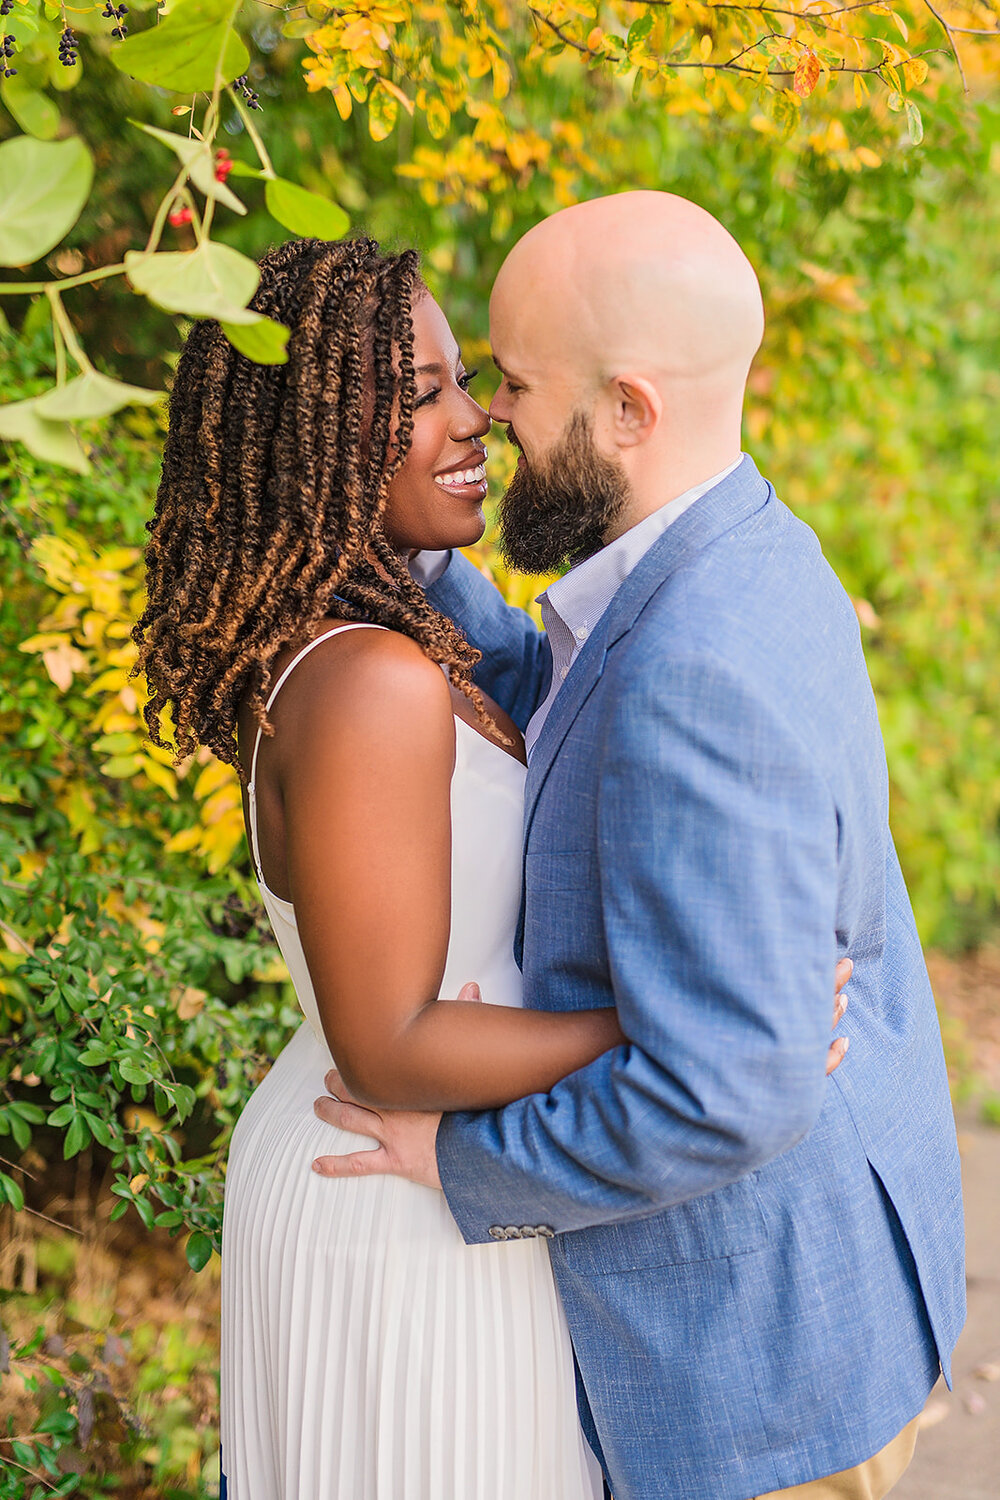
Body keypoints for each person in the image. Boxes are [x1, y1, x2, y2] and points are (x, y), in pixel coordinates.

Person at [134, 233, 848, 1500]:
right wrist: (701, 1027)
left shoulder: (399, 634)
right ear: (319, 426)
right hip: (396, 1179)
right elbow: (392, 1043)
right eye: (423, 394)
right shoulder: (368, 681)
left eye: (474, 380)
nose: (478, 420)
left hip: (438, 1172)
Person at [311, 194, 966, 1500]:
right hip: (843, 1285)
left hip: (760, 1398)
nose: (489, 413)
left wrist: (461, 1162)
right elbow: (566, 686)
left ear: (628, 410)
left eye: (513, 381)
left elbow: (728, 1088)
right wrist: (382, 521)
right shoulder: (746, 547)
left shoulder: (694, 670)